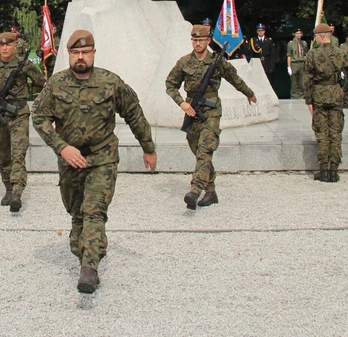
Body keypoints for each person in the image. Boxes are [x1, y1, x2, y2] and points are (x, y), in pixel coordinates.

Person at [32, 29, 157, 294]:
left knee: (94, 211)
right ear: (69, 55)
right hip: (70, 159)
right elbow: (39, 117)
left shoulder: (110, 82)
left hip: (102, 157)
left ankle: (89, 270)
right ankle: (88, 246)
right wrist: (61, 147)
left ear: (93, 53)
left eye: (85, 52)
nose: (80, 57)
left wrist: (148, 147)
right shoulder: (56, 84)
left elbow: (134, 114)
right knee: (76, 213)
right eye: (75, 53)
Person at [166, 23, 257, 208]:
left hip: (212, 111)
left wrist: (249, 93)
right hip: (193, 110)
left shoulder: (217, 62)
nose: (197, 44)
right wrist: (182, 103)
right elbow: (170, 84)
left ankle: (195, 189)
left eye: (200, 40)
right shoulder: (184, 62)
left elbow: (235, 79)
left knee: (205, 149)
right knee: (198, 151)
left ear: (208, 41)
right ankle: (211, 191)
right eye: (194, 40)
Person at [0, 31, 46, 211]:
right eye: (1, 45)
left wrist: (30, 68)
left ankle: (17, 192)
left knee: (18, 153)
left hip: (19, 114)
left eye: (9, 44)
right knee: (4, 154)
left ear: (15, 46)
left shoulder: (22, 65)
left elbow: (41, 82)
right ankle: (8, 188)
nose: (5, 48)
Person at [303, 24, 348, 183]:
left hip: (319, 95)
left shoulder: (312, 55)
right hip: (336, 93)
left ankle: (323, 170)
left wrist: (309, 101)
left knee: (322, 134)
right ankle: (334, 171)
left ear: (321, 36)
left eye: (316, 36)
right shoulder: (340, 53)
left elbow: (306, 81)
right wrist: (345, 89)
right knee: (335, 133)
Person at [286, 28, 307, 100]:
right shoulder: (291, 43)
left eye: (300, 33)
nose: (298, 35)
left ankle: (301, 96)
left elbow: (305, 54)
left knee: (302, 81)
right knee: (294, 82)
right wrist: (289, 67)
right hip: (294, 63)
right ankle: (294, 97)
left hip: (302, 63)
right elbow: (289, 55)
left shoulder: (304, 43)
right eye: (297, 33)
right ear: (294, 34)